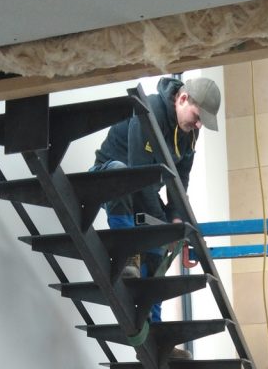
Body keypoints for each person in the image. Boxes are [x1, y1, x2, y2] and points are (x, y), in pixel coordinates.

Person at [91, 75, 221, 320]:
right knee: (121, 174)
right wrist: (162, 222)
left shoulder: (189, 133)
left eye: (202, 122)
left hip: (143, 187)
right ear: (182, 98)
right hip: (109, 177)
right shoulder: (149, 111)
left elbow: (181, 179)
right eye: (197, 117)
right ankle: (127, 255)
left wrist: (175, 217)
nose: (198, 125)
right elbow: (138, 171)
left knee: (159, 242)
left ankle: (154, 320)